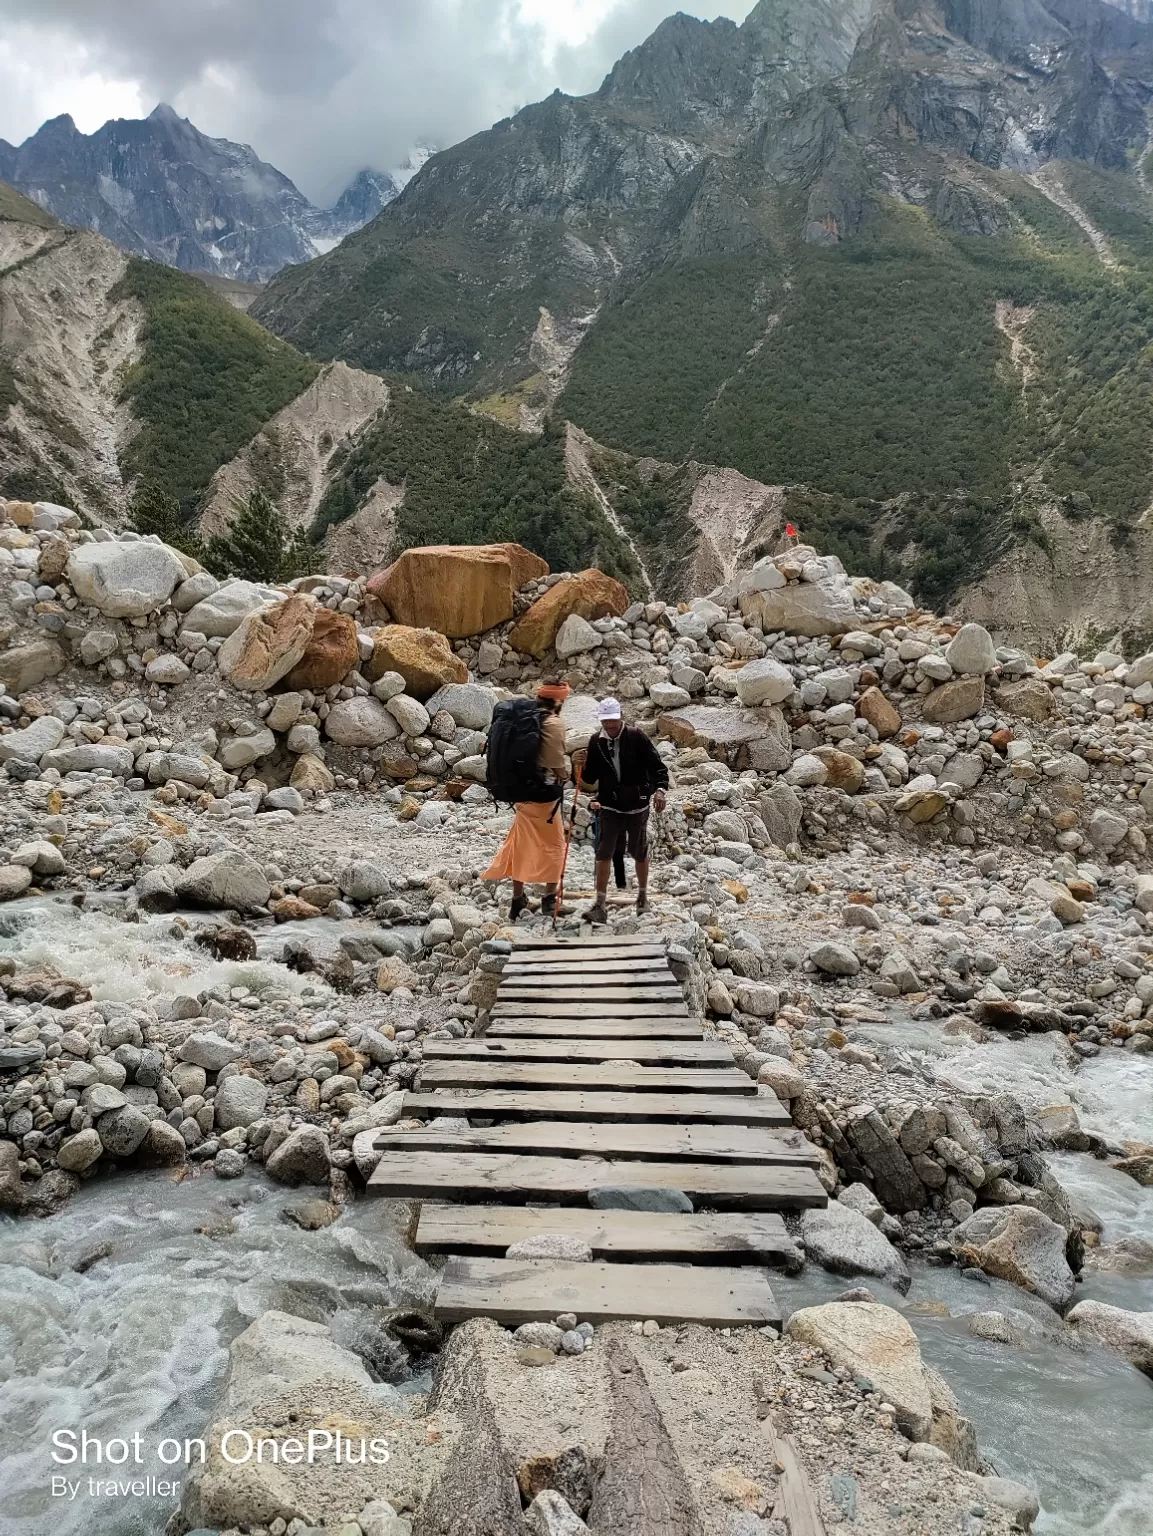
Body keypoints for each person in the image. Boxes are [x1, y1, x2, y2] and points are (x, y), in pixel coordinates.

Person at [574, 697, 668, 923]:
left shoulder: (636, 737)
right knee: (603, 852)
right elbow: (588, 778)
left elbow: (657, 767)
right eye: (605, 721)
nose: (609, 725)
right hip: (609, 805)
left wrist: (660, 791)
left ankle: (643, 897)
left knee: (640, 851)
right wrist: (577, 764)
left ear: (620, 716)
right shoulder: (596, 741)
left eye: (612, 720)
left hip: (637, 805)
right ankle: (600, 904)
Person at [482, 682, 571, 920]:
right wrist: (565, 775)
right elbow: (555, 763)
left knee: (520, 843)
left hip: (517, 793)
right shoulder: (552, 723)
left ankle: (517, 900)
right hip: (542, 795)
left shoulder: (522, 719)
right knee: (555, 845)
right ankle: (550, 900)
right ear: (559, 701)